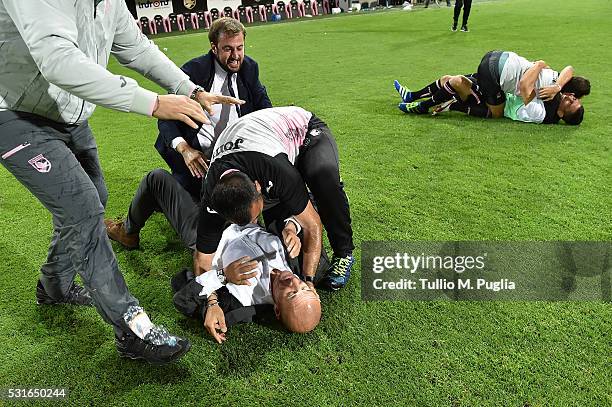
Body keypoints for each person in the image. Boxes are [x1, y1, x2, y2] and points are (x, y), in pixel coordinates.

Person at [0, 0, 242, 364]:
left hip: (67, 113)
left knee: (95, 194)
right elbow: (57, 60)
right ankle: (132, 329)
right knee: (82, 207)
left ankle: (54, 287)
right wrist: (153, 102)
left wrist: (190, 89)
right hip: (16, 112)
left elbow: (135, 45)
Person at [194, 106, 355, 291]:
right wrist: (212, 302)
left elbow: (313, 225)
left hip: (303, 132)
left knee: (323, 178)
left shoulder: (274, 168)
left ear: (257, 186)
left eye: (256, 215)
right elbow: (202, 258)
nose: (255, 221)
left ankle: (344, 252)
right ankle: (303, 201)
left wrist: (308, 280)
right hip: (254, 145)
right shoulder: (211, 197)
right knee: (284, 238)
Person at [155, 17, 272, 199]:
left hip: (234, 151)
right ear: (214, 47)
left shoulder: (249, 68)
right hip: (198, 156)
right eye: (227, 49)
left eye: (239, 48)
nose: (235, 56)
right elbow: (165, 118)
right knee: (193, 205)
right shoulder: (193, 72)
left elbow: (264, 106)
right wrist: (185, 149)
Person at [172, 223, 322, 343]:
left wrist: (222, 276)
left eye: (291, 294)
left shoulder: (241, 299)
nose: (294, 281)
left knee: (162, 184)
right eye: (303, 288)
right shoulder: (305, 264)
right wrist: (292, 227)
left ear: (277, 310)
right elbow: (308, 217)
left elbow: (183, 299)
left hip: (210, 234)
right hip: (246, 211)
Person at [395, 74, 586, 125]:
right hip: (496, 95)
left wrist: (539, 66)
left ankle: (422, 107)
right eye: (574, 97)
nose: (570, 97)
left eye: (571, 102)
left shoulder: (542, 113)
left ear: (562, 114)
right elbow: (569, 70)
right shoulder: (553, 102)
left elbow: (524, 90)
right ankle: (413, 96)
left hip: (494, 104)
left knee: (457, 82)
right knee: (448, 79)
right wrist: (558, 87)